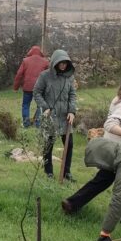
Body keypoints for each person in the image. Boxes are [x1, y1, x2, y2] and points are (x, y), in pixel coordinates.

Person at [62, 71, 121, 220]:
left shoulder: (119, 99)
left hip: (115, 149)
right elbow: (110, 125)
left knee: (105, 179)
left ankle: (72, 203)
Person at [32, 48, 77, 180]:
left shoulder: (69, 77)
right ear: (55, 62)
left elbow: (72, 94)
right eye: (61, 63)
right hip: (51, 116)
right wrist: (45, 107)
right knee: (49, 145)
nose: (63, 65)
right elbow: (37, 92)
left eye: (65, 63)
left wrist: (72, 111)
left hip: (65, 116)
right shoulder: (44, 76)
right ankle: (49, 172)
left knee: (69, 145)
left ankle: (66, 172)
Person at [12, 44, 50, 127]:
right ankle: (38, 124)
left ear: (31, 52)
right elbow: (49, 75)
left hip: (27, 87)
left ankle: (26, 123)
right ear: (40, 52)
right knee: (40, 106)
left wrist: (15, 87)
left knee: (26, 105)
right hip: (40, 87)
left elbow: (19, 74)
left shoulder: (25, 61)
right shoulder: (45, 61)